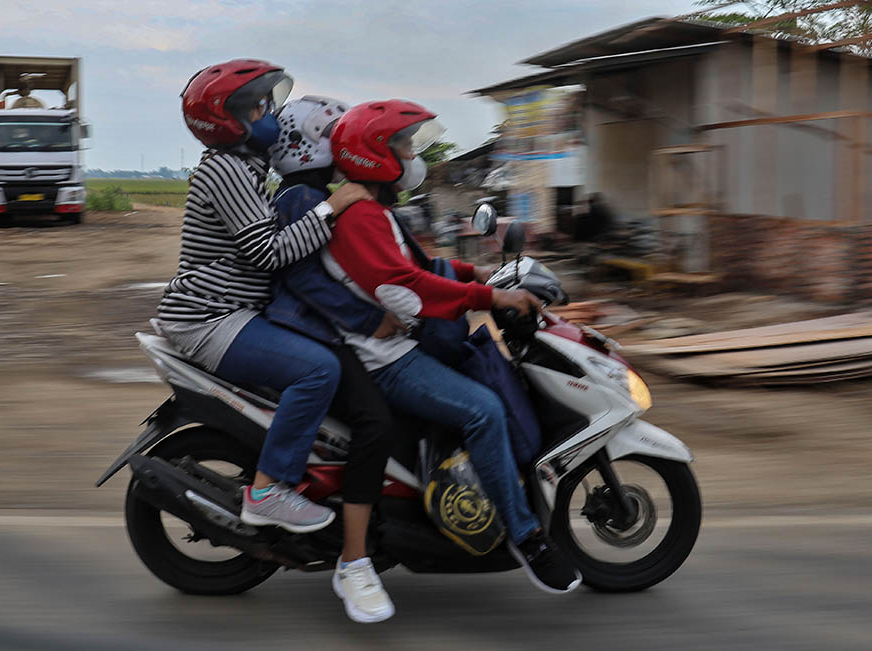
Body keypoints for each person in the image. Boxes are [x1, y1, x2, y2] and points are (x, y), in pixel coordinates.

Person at [322, 99, 583, 594]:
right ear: (376, 155)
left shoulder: (376, 210)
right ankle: (527, 539)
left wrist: (474, 272)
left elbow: (419, 268)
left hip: (396, 344)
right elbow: (404, 288)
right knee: (484, 409)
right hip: (384, 360)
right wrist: (491, 295)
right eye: (403, 145)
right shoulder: (361, 217)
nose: (412, 155)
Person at [156, 60, 370, 537]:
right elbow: (267, 252)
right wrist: (332, 207)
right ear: (229, 119)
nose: (269, 111)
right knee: (319, 369)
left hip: (229, 314)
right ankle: (269, 490)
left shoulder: (244, 169)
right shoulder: (226, 169)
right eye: (259, 104)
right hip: (210, 318)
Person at [265, 95, 401, 623]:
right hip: (314, 333)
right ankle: (354, 559)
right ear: (314, 143)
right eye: (336, 135)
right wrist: (369, 320)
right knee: (375, 421)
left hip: (326, 331)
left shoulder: (321, 193)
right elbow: (303, 279)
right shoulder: (304, 196)